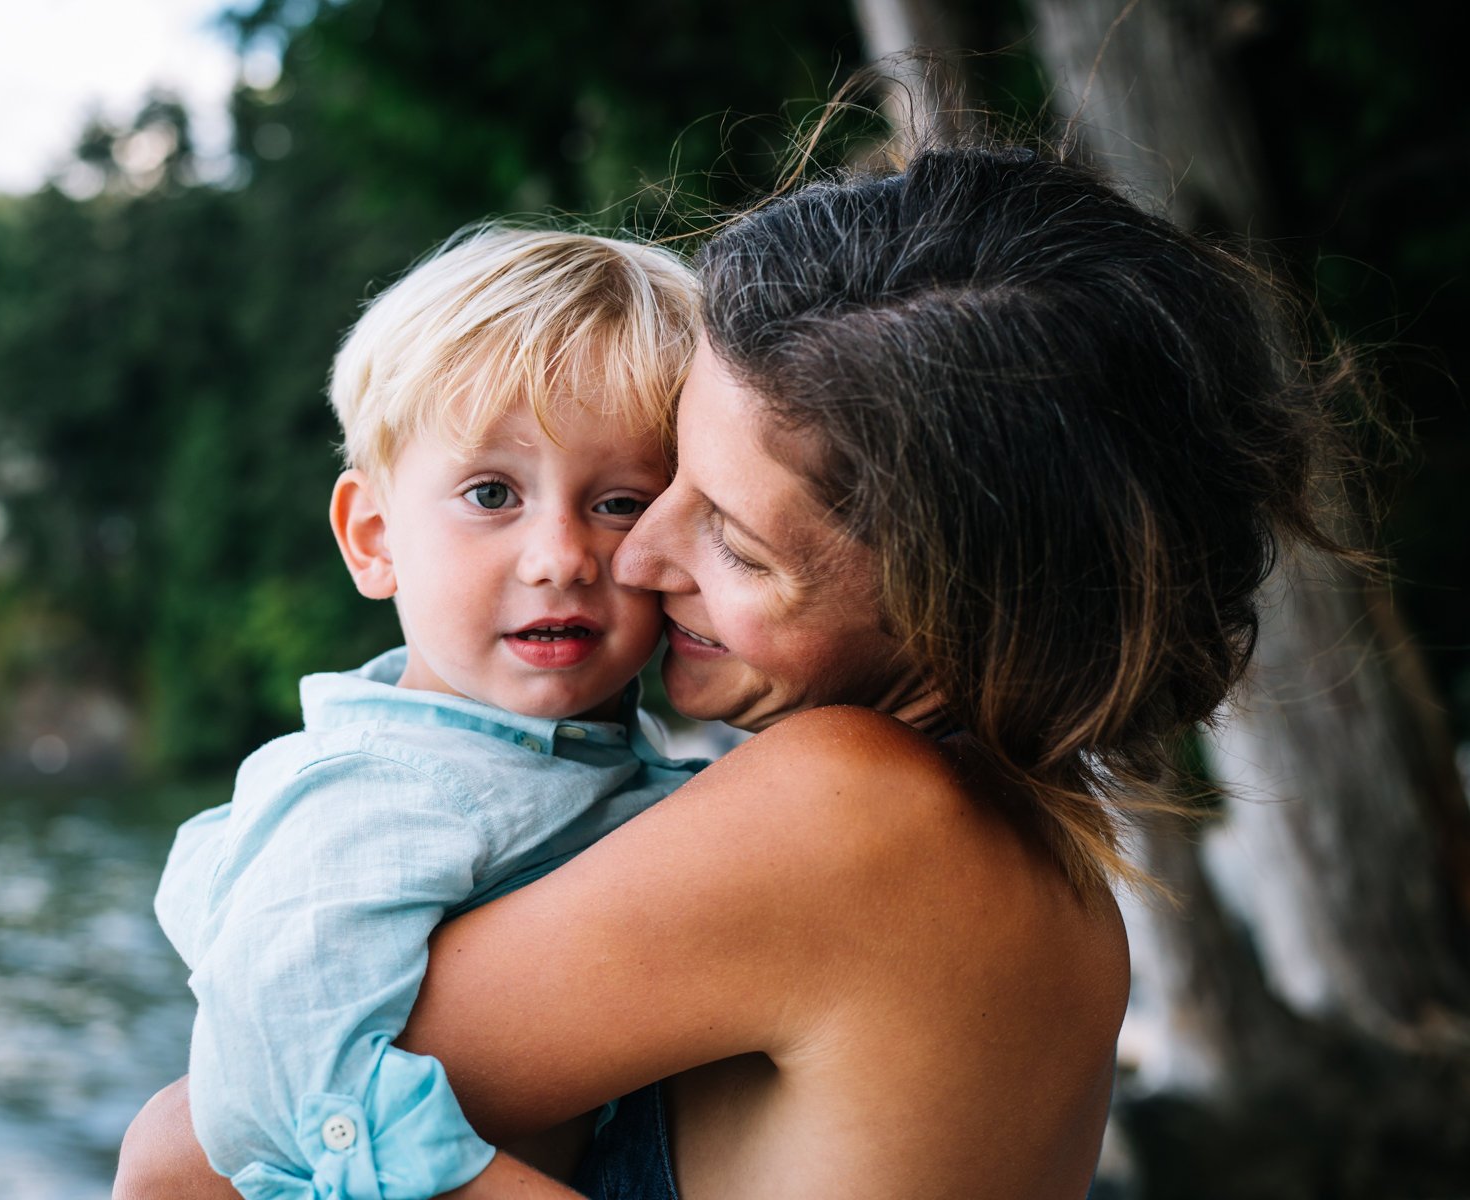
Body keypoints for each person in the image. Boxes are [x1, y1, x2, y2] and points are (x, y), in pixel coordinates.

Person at [116, 144, 1360, 1198]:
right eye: (671, 483)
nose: (635, 556)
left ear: (949, 596)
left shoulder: (852, 808)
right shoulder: (1043, 838)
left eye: (731, 537)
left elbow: (187, 1156)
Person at [150, 228, 707, 1200]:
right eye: (493, 494)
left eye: (620, 502)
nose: (561, 555)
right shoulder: (381, 790)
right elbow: (275, 1076)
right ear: (374, 539)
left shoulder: (583, 761)